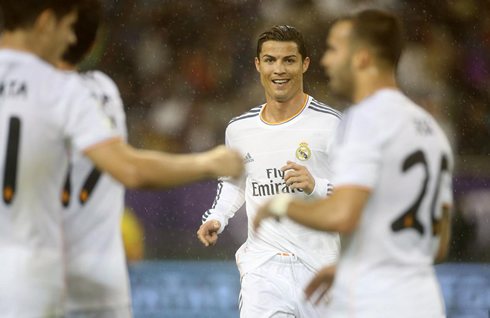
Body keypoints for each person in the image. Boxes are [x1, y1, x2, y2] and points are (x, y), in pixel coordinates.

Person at [0, 0, 243, 317]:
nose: (69, 40)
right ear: (46, 22)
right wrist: (208, 163)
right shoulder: (70, 89)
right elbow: (131, 169)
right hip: (41, 273)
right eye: (67, 28)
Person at [254, 9, 453, 318]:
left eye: (334, 50)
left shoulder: (364, 119)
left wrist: (281, 206)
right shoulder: (431, 128)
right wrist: (354, 265)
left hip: (373, 304)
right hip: (424, 302)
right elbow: (436, 246)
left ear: (360, 58)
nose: (325, 61)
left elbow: (342, 214)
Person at [197, 25, 342, 317]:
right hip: (263, 271)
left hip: (321, 267)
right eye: (270, 60)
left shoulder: (332, 125)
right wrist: (216, 217)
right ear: (257, 64)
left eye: (289, 60)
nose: (279, 69)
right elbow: (234, 183)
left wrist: (316, 185)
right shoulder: (239, 129)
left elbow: (358, 195)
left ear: (305, 64)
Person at [56, 1, 131, 316]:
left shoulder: (26, 93)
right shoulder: (104, 90)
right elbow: (133, 169)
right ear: (91, 42)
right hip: (103, 282)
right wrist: (205, 164)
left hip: (36, 275)